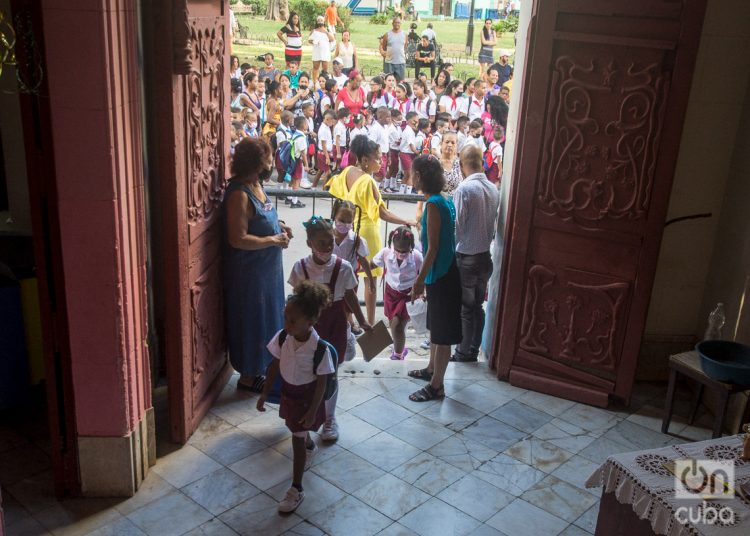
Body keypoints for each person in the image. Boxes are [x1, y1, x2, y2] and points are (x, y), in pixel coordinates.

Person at [288, 216, 371, 442]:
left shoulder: (342, 268)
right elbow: (296, 299)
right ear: (309, 243)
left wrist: (362, 321)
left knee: (330, 373)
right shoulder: (300, 268)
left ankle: (329, 419)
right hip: (309, 326)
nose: (326, 247)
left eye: (330, 242)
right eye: (321, 242)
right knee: (308, 371)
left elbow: (351, 296)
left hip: (334, 324)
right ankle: (309, 416)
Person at [256, 280, 335, 513]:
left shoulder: (318, 349)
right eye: (286, 318)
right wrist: (264, 393)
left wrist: (312, 410)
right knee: (295, 428)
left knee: (296, 439)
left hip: (307, 397)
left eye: (292, 321)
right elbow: (273, 366)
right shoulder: (283, 338)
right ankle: (309, 444)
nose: (287, 325)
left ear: (310, 323)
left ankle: (296, 489)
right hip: (289, 394)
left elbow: (322, 381)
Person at [223, 138, 291, 393]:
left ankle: (264, 367)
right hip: (249, 274)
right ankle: (248, 376)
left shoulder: (257, 185)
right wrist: (273, 239)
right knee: (252, 321)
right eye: (268, 158)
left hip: (268, 271)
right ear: (255, 162)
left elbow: (263, 216)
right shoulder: (239, 194)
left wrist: (279, 226)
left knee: (269, 318)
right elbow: (237, 238)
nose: (271, 162)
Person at [326, 136, 417, 324]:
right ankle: (369, 321)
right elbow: (382, 212)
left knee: (350, 277)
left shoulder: (348, 171)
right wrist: (405, 220)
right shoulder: (368, 181)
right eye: (378, 158)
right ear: (365, 160)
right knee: (371, 280)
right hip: (368, 231)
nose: (382, 161)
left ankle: (349, 320)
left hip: (350, 230)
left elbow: (335, 191)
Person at [407, 154, 462, 401]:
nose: (409, 175)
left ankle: (437, 385)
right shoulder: (444, 200)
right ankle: (431, 369)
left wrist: (419, 280)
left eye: (412, 172)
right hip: (444, 272)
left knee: (442, 333)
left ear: (419, 176)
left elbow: (433, 248)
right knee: (437, 326)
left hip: (441, 275)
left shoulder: (432, 205)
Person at [451, 145, 500, 362]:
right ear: (482, 162)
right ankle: (472, 348)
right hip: (484, 258)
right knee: (477, 306)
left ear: (462, 165)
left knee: (465, 309)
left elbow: (457, 228)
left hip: (468, 259)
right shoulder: (493, 188)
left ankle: (463, 351)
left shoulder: (464, 190)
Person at [372, 226, 423, 360]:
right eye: (398, 250)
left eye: (404, 251)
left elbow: (424, 275)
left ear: (411, 246)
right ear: (392, 244)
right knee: (393, 323)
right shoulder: (386, 253)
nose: (400, 253)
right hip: (391, 293)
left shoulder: (417, 257)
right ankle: (400, 346)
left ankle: (398, 354)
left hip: (408, 295)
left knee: (397, 325)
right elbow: (372, 263)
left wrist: (421, 291)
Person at [331, 199, 375, 333]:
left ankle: (347, 327)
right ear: (334, 216)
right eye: (341, 220)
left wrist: (371, 281)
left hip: (350, 281)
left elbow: (363, 261)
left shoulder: (357, 240)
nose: (344, 224)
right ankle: (346, 325)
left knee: (347, 306)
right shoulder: (326, 237)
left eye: (348, 221)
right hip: (330, 279)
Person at [380, 17, 407, 82]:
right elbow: (384, 47)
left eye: (398, 22)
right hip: (389, 62)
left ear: (400, 24)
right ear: (392, 23)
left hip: (400, 61)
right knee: (388, 82)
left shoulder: (404, 34)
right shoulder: (387, 34)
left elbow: (405, 47)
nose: (397, 24)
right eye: (395, 22)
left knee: (401, 82)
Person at [309, 16, 335, 84]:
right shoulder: (314, 31)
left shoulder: (327, 30)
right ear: (317, 22)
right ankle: (314, 82)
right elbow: (309, 40)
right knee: (315, 67)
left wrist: (326, 32)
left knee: (325, 69)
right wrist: (314, 42)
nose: (320, 21)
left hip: (325, 52)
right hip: (317, 51)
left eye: (321, 20)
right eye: (319, 20)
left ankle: (324, 83)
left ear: (323, 22)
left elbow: (332, 39)